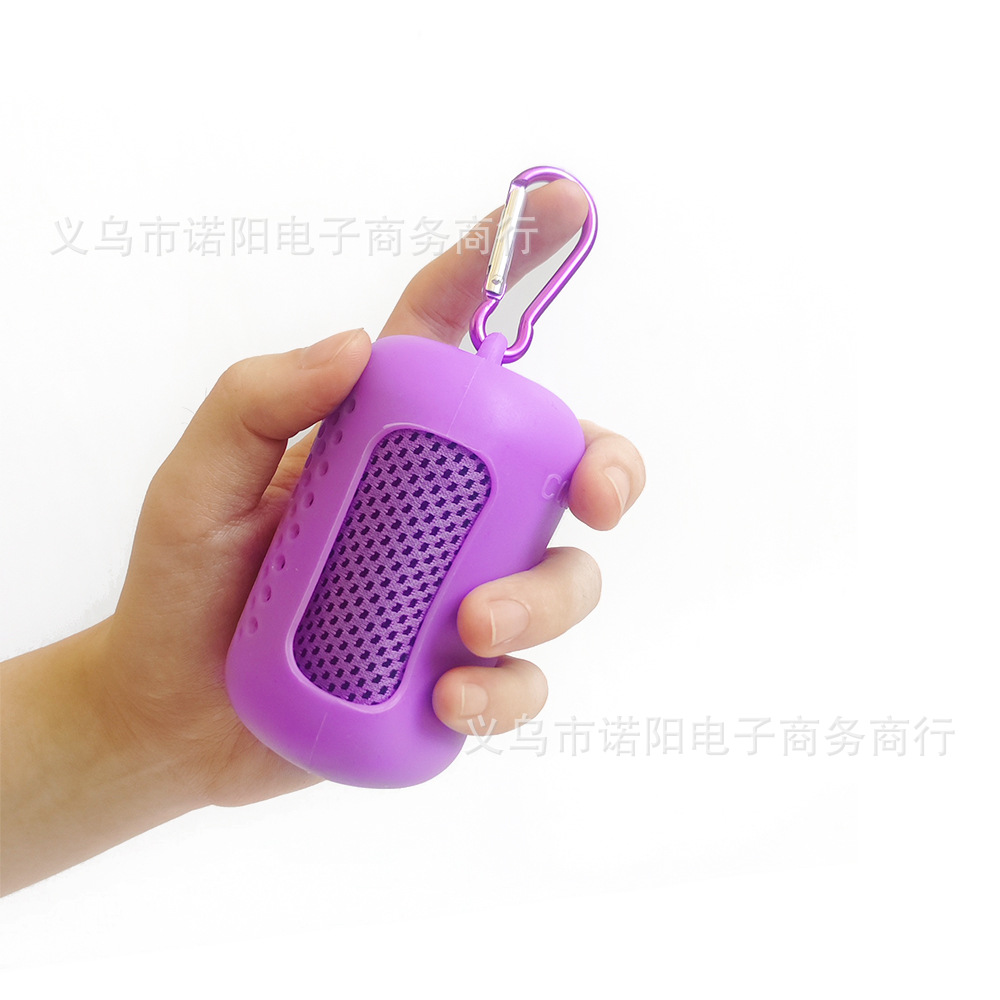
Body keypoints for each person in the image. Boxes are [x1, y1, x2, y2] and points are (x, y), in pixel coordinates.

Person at [0, 181, 645, 895]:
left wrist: (139, 731)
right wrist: (130, 718)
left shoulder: (461, 401)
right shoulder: (403, 375)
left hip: (284, 705)